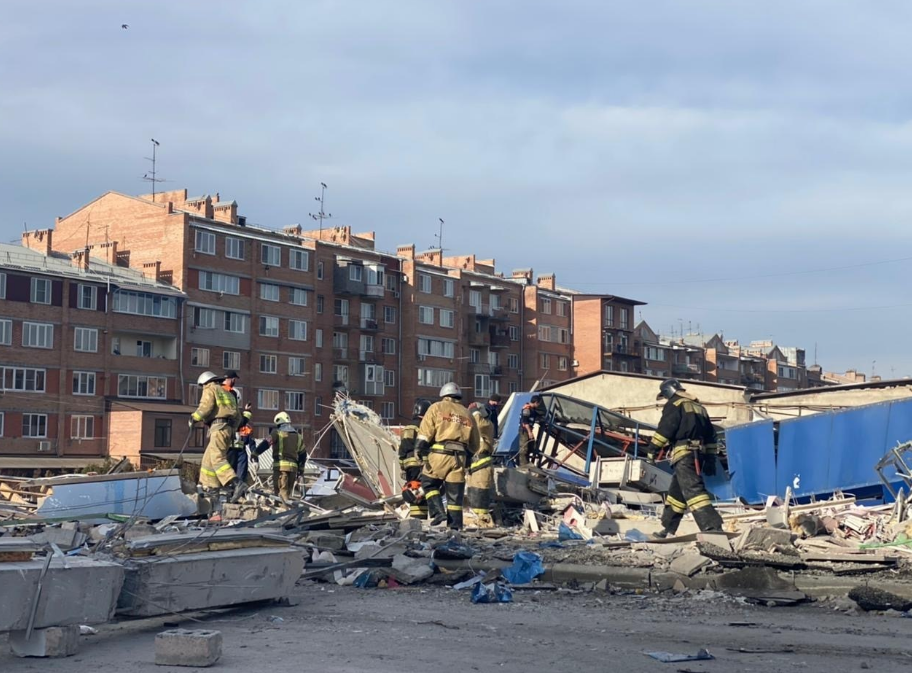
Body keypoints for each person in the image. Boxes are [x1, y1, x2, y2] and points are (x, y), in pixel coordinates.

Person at [646, 379, 724, 538]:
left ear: (667, 392)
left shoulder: (674, 404)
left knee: (694, 491)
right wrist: (710, 459)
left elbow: (665, 430)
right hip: (699, 454)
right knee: (677, 494)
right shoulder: (699, 407)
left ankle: (712, 527)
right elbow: (711, 435)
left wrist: (652, 451)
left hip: (684, 454)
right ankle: (668, 529)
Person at [417, 382, 480, 529]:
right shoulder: (467, 413)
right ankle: (455, 529)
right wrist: (468, 457)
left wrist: (418, 448)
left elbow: (425, 432)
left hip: (440, 455)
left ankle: (438, 513)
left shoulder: (437, 407)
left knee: (429, 483)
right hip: (459, 458)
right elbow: (475, 443)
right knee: (455, 497)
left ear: (443, 394)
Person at [190, 371, 252, 505]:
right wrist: (231, 429)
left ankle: (236, 483)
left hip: (218, 428)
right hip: (226, 429)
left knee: (217, 458)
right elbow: (237, 416)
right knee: (208, 462)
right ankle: (212, 490)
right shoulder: (228, 393)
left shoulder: (210, 388)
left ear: (205, 382)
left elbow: (206, 407)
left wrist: (194, 418)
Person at [257, 412, 306, 502]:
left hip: (281, 468)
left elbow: (266, 443)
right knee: (287, 493)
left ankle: (282, 514)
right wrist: (301, 470)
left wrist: (255, 453)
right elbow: (303, 454)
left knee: (281, 496)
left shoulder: (276, 433)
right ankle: (288, 513)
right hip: (293, 469)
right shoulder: (298, 436)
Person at [399, 399, 432, 519]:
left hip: (408, 465)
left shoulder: (407, 427)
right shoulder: (424, 426)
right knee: (422, 489)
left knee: (413, 489)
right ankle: (421, 518)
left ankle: (416, 519)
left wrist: (402, 466)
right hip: (419, 463)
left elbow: (402, 449)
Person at [465, 402, 496, 529]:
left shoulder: (487, 424)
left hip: (482, 464)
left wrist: (474, 411)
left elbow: (477, 422)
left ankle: (483, 522)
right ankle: (476, 520)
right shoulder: (476, 426)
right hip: (474, 465)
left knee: (480, 494)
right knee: (473, 493)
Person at [518, 394, 545, 467]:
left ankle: (528, 463)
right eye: (538, 403)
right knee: (524, 449)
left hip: (529, 430)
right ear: (536, 402)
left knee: (532, 447)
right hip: (524, 431)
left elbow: (537, 415)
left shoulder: (533, 410)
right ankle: (523, 465)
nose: (538, 405)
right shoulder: (527, 409)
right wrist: (529, 432)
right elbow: (525, 422)